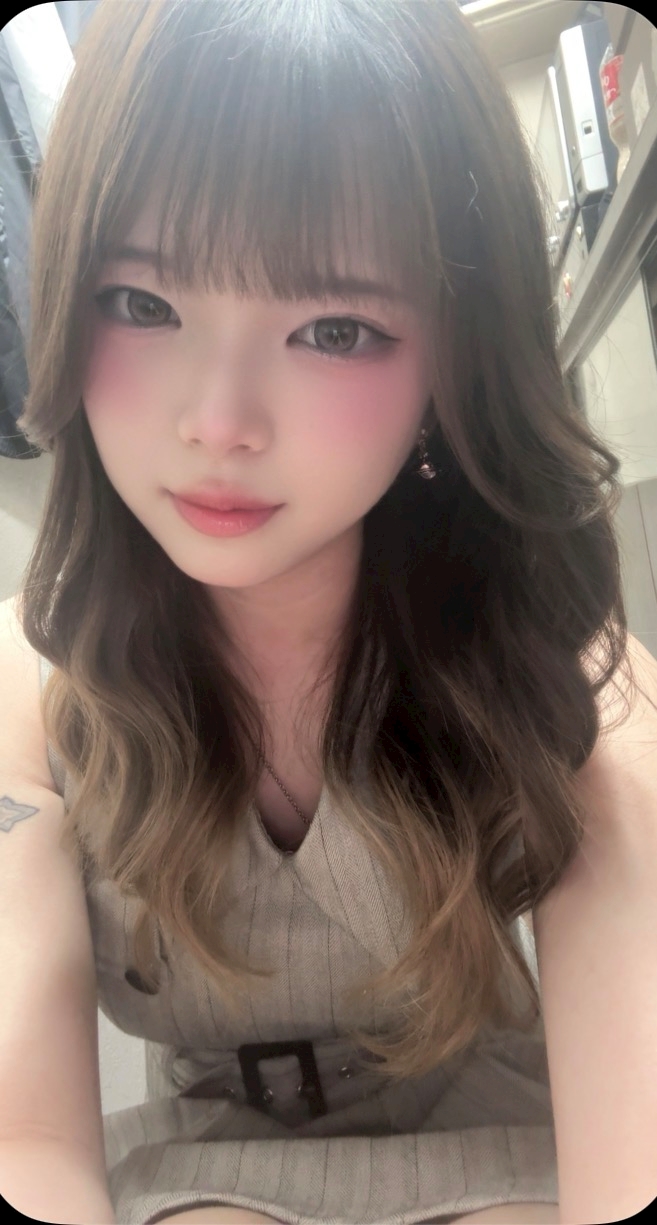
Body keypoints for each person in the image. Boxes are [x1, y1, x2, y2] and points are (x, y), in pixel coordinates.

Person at [0, 2, 651, 1223]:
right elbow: (26, 1137)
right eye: (141, 303)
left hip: (499, 1142)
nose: (218, 420)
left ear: (452, 356)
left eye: (332, 329)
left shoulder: (552, 662)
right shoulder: (32, 691)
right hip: (204, 1166)